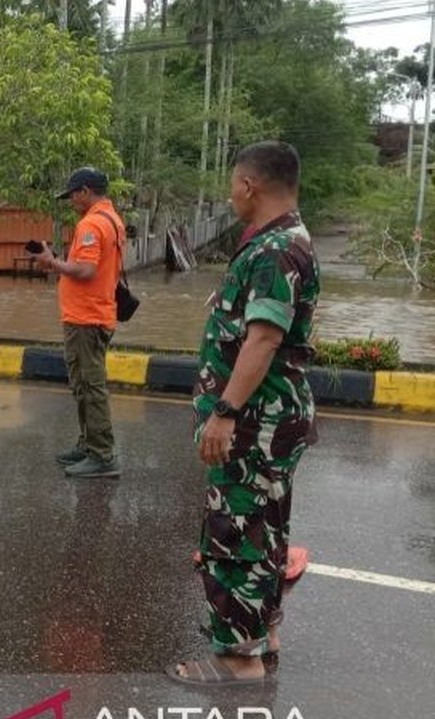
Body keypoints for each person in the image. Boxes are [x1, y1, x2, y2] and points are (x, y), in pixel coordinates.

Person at [168, 140, 319, 686]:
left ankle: (237, 659)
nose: (230, 194)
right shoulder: (286, 241)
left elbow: (262, 339)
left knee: (235, 534)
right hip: (270, 421)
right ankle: (265, 633)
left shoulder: (275, 251)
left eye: (233, 184)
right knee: (266, 530)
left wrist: (225, 412)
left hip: (255, 424)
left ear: (250, 186)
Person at [28, 167, 124, 479]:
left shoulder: (92, 224)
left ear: (84, 191)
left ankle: (102, 455)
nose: (70, 200)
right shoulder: (111, 219)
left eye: (71, 194)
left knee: (91, 387)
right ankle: (89, 444)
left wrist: (51, 262)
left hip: (86, 318)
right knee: (83, 385)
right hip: (94, 313)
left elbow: (85, 271)